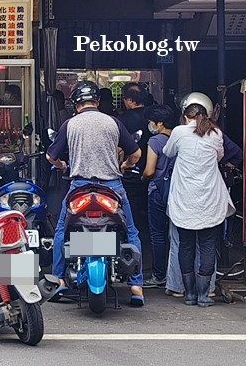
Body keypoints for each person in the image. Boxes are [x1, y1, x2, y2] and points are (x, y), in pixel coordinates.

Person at [46, 80, 145, 306]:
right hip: (112, 187)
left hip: (79, 186)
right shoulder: (113, 123)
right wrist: (125, 165)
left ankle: (60, 281)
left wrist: (63, 166)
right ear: (97, 102)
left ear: (75, 103)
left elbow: (50, 157)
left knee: (62, 230)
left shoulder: (69, 125)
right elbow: (136, 154)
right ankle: (137, 286)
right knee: (131, 232)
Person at [163, 102, 235, 307]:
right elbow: (219, 156)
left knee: (185, 245)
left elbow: (168, 152)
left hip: (185, 199)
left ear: (186, 117)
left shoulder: (178, 132)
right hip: (210, 199)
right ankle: (204, 295)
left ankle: (190, 294)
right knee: (208, 245)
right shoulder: (216, 133)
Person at [141, 104, 179, 288]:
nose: (150, 126)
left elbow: (149, 170)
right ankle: (176, 277)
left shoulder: (155, 142)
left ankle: (159, 275)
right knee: (178, 235)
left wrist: (141, 177)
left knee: (157, 234)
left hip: (157, 190)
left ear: (160, 123)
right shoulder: (181, 139)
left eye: (150, 122)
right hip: (178, 191)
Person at [119, 86, 150, 253]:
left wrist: (123, 165)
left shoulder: (123, 120)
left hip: (131, 172)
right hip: (153, 171)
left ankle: (131, 251)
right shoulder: (152, 117)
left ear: (130, 100)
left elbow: (120, 148)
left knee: (130, 212)